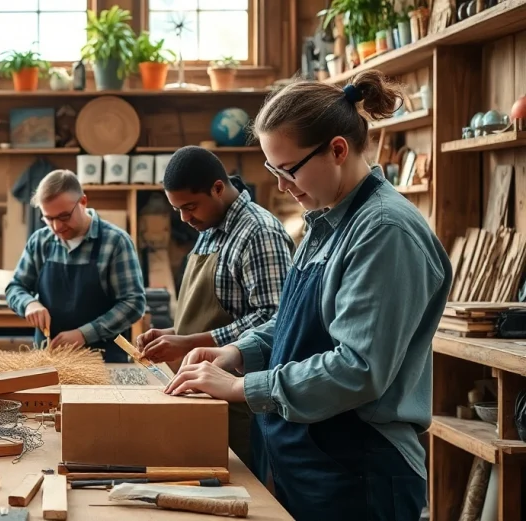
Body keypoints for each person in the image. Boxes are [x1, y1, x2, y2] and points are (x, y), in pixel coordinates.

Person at [165, 71, 452, 521]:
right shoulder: (324, 221)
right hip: (313, 459)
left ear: (337, 150)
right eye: (272, 171)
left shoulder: (384, 232)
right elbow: (295, 320)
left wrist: (243, 387)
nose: (281, 186)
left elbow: (358, 369)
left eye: (288, 169)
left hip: (361, 468)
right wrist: (236, 351)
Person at [135, 146, 293, 470]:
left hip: (240, 406)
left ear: (218, 188)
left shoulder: (259, 232)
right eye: (177, 209)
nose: (184, 219)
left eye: (190, 207)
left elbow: (276, 317)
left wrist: (190, 341)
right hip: (202, 396)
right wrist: (172, 334)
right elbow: (222, 311)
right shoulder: (209, 227)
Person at [6, 170, 146, 362]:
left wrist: (84, 334)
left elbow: (133, 303)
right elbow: (15, 287)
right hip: (48, 360)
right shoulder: (40, 241)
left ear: (83, 202)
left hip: (103, 362)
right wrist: (29, 303)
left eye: (63, 217)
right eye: (48, 218)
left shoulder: (115, 242)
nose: (56, 227)